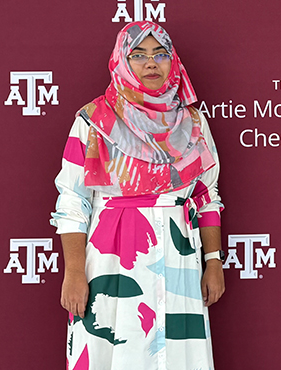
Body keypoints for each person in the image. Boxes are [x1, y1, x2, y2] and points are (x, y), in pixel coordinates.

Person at [50, 21, 225, 370]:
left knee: (176, 355)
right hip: (112, 256)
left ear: (172, 62)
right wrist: (74, 272)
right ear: (122, 62)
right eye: (139, 55)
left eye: (160, 54)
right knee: (116, 348)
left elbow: (207, 194)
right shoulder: (93, 120)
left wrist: (213, 260)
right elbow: (72, 200)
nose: (151, 64)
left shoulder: (192, 122)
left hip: (179, 257)